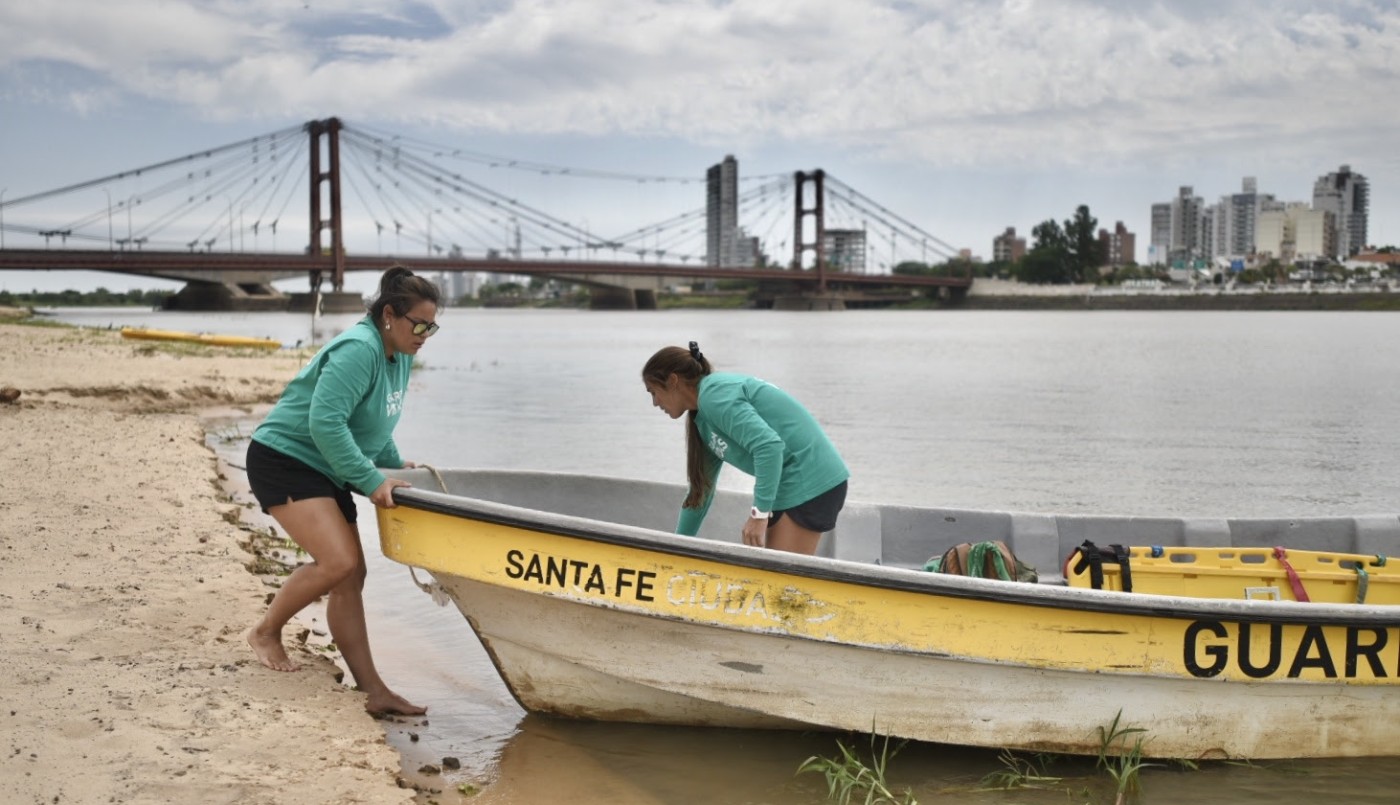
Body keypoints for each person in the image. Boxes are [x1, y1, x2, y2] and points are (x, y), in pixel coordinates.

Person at [244, 264, 440, 716]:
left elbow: (374, 418)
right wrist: (372, 481)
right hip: (285, 457)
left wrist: (391, 460)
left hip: (326, 465)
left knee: (352, 576)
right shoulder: (359, 349)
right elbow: (325, 422)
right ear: (389, 314)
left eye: (433, 326)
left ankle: (374, 692)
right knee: (338, 562)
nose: (426, 334)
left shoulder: (401, 351)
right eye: (420, 324)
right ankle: (266, 631)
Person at [641, 341, 850, 555]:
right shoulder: (702, 420)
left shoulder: (714, 395)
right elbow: (700, 492)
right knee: (773, 577)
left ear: (673, 380)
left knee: (780, 582)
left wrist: (759, 514)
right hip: (785, 484)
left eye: (653, 392)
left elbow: (769, 446)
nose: (655, 402)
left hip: (810, 478)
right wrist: (677, 547)